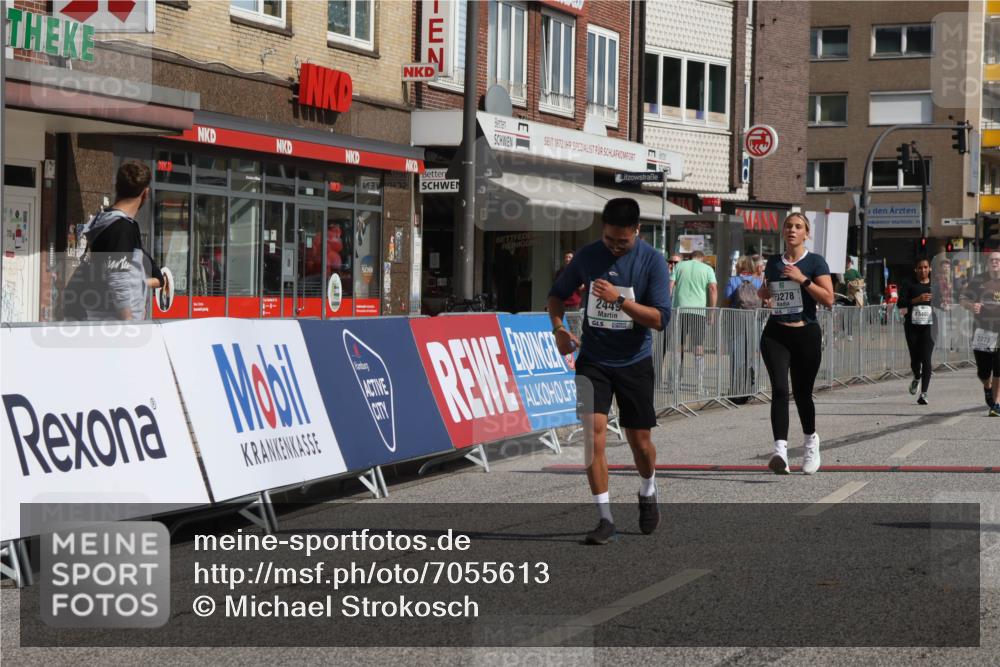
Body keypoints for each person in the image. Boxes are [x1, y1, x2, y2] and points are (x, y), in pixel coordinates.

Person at [548, 198, 671, 545]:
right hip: (594, 359)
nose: (616, 247)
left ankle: (648, 489)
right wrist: (558, 328)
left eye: (623, 241)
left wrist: (619, 301)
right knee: (593, 436)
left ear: (637, 231)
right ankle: (604, 518)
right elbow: (556, 295)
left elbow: (660, 320)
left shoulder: (652, 261)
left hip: (634, 360)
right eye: (609, 240)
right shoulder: (588, 256)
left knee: (640, 442)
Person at [758, 213, 835, 475]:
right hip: (776, 333)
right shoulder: (772, 262)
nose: (792, 230)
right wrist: (765, 294)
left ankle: (811, 442)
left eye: (798, 227)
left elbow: (828, 299)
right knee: (780, 389)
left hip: (806, 334)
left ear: (806, 233)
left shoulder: (815, 262)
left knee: (802, 394)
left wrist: (802, 279)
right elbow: (766, 291)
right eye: (788, 226)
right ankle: (780, 450)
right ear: (783, 231)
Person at [82, 161, 163, 321]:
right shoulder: (122, 228)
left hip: (105, 320)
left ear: (117, 187)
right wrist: (129, 323)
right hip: (116, 325)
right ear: (145, 193)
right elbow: (118, 278)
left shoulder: (106, 221)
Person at [960, 251, 1000, 416]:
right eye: (992, 260)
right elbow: (963, 299)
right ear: (987, 263)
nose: (995, 262)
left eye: (998, 260)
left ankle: (997, 403)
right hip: (981, 330)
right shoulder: (978, 280)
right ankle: (987, 386)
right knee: (983, 371)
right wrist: (971, 306)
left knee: (998, 367)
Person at [671, 250, 717, 393]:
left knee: (678, 346)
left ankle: (675, 382)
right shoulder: (707, 269)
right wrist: (712, 311)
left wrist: (667, 305)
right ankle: (700, 384)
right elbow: (713, 289)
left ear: (690, 257)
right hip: (698, 312)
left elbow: (670, 285)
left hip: (680, 310)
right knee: (698, 346)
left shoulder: (679, 267)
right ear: (701, 258)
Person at [725, 256, 764, 403]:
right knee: (750, 355)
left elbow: (727, 300)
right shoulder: (758, 282)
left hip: (736, 321)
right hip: (753, 322)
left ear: (739, 267)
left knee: (736, 356)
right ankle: (749, 388)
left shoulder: (733, 281)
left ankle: (736, 391)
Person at [901, 257, 935, 405]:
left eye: (926, 267)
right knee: (915, 360)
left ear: (930, 269)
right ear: (916, 269)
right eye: (920, 268)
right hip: (912, 327)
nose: (923, 270)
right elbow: (900, 303)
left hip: (930, 327)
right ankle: (916, 376)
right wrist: (917, 299)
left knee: (927, 359)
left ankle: (924, 394)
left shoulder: (935, 285)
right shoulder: (909, 284)